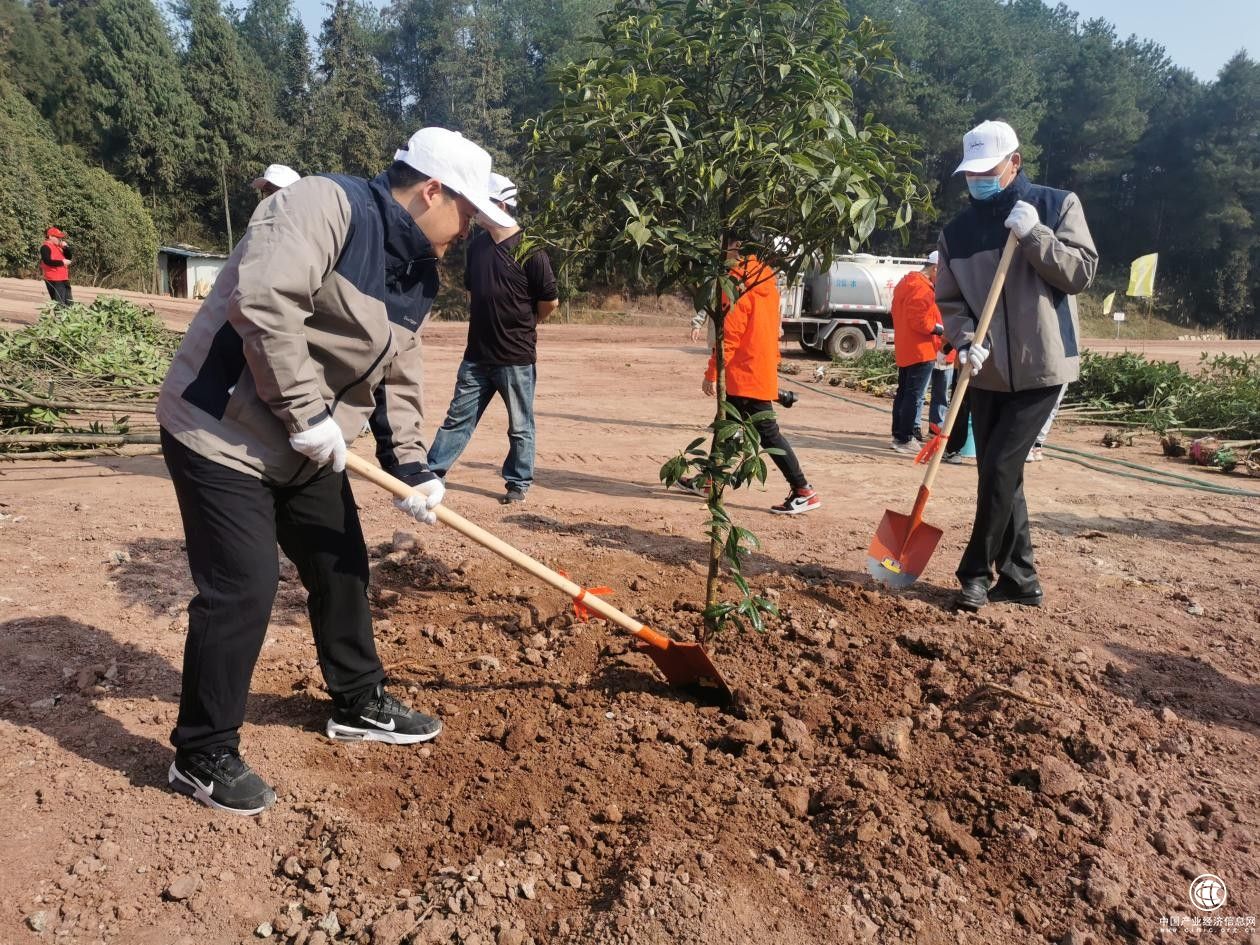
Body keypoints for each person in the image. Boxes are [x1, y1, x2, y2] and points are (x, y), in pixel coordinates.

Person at [156, 127, 513, 815]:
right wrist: (306, 412)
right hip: (219, 429)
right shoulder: (324, 206)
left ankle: (357, 701)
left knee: (341, 562)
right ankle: (200, 753)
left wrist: (413, 465)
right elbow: (263, 301)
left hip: (308, 445)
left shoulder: (417, 274)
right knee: (243, 587)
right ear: (432, 190)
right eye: (467, 213)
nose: (469, 229)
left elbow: (401, 371)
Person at [937, 119, 1098, 612]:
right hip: (986, 370)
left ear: (1014, 163)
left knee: (1002, 465)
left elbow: (1080, 272)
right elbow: (949, 300)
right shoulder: (958, 232)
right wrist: (964, 342)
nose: (977, 180)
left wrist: (1036, 236)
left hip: (1043, 366)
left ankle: (974, 574)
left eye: (987, 170)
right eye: (970, 172)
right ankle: (1021, 577)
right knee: (999, 470)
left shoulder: (1056, 205)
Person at [426, 172, 559, 504]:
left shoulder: (531, 250)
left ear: (500, 205)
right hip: (477, 356)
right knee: (457, 419)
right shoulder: (478, 247)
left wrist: (526, 325)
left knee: (520, 426)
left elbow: (550, 302)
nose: (472, 209)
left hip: (515, 358)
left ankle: (518, 483)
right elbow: (475, 292)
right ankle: (432, 473)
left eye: (480, 203)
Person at [679, 246, 820, 514]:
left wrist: (712, 373)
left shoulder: (736, 282)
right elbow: (772, 328)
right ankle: (710, 481)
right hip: (758, 368)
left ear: (735, 247)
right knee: (727, 427)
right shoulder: (765, 276)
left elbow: (730, 335)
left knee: (768, 434)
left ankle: (804, 490)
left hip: (743, 373)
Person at [889, 251, 942, 453]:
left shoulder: (906, 283)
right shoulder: (923, 288)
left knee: (904, 393)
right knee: (914, 395)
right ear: (935, 268)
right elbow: (921, 322)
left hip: (906, 347)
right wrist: (940, 329)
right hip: (922, 349)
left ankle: (898, 435)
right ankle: (905, 438)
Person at [1026, 385, 1067, 462]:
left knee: (1053, 406)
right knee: (1036, 404)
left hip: (1063, 375)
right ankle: (1028, 446)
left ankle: (1038, 445)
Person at [40, 226, 73, 306]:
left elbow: (69, 257)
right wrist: (62, 262)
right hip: (54, 280)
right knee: (59, 304)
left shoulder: (59, 247)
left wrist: (66, 247)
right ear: (50, 236)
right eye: (57, 237)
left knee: (69, 303)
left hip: (64, 278)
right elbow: (47, 261)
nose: (60, 239)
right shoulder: (45, 247)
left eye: (60, 237)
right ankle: (59, 319)